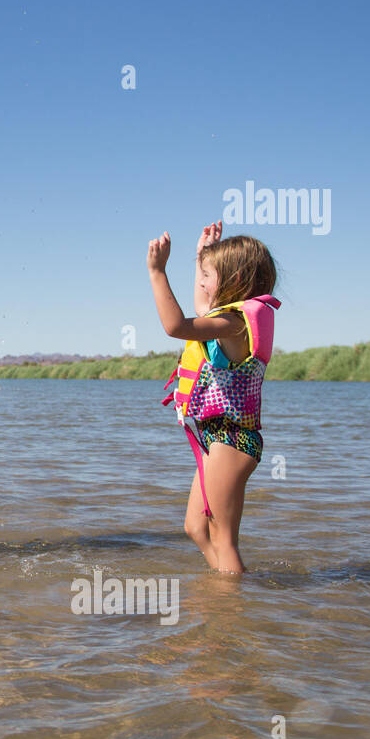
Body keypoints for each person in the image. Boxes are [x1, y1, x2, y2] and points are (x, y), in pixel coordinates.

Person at [148, 222, 280, 574]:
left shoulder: (236, 324)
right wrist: (200, 259)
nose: (202, 282)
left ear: (235, 279)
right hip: (218, 438)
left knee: (223, 539)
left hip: (233, 440)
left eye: (209, 275)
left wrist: (158, 272)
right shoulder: (223, 321)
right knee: (195, 528)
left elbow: (177, 326)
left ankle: (233, 607)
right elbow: (203, 307)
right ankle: (225, 594)